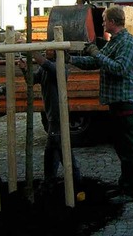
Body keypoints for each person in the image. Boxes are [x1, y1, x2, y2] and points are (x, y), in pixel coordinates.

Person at [70, 5, 133, 204]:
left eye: (104, 20)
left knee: (128, 148)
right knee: (121, 147)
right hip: (116, 101)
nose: (102, 23)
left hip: (124, 101)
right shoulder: (115, 42)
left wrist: (96, 53)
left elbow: (118, 69)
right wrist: (70, 59)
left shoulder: (128, 43)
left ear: (112, 22)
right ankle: (125, 185)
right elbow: (96, 62)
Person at [18, 49, 82, 192]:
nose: (46, 51)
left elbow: (46, 64)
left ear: (58, 52)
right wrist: (24, 70)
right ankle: (60, 180)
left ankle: (70, 181)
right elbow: (32, 80)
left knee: (55, 148)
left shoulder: (59, 68)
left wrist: (31, 50)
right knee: (58, 148)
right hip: (51, 114)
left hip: (59, 115)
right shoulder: (44, 68)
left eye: (50, 49)